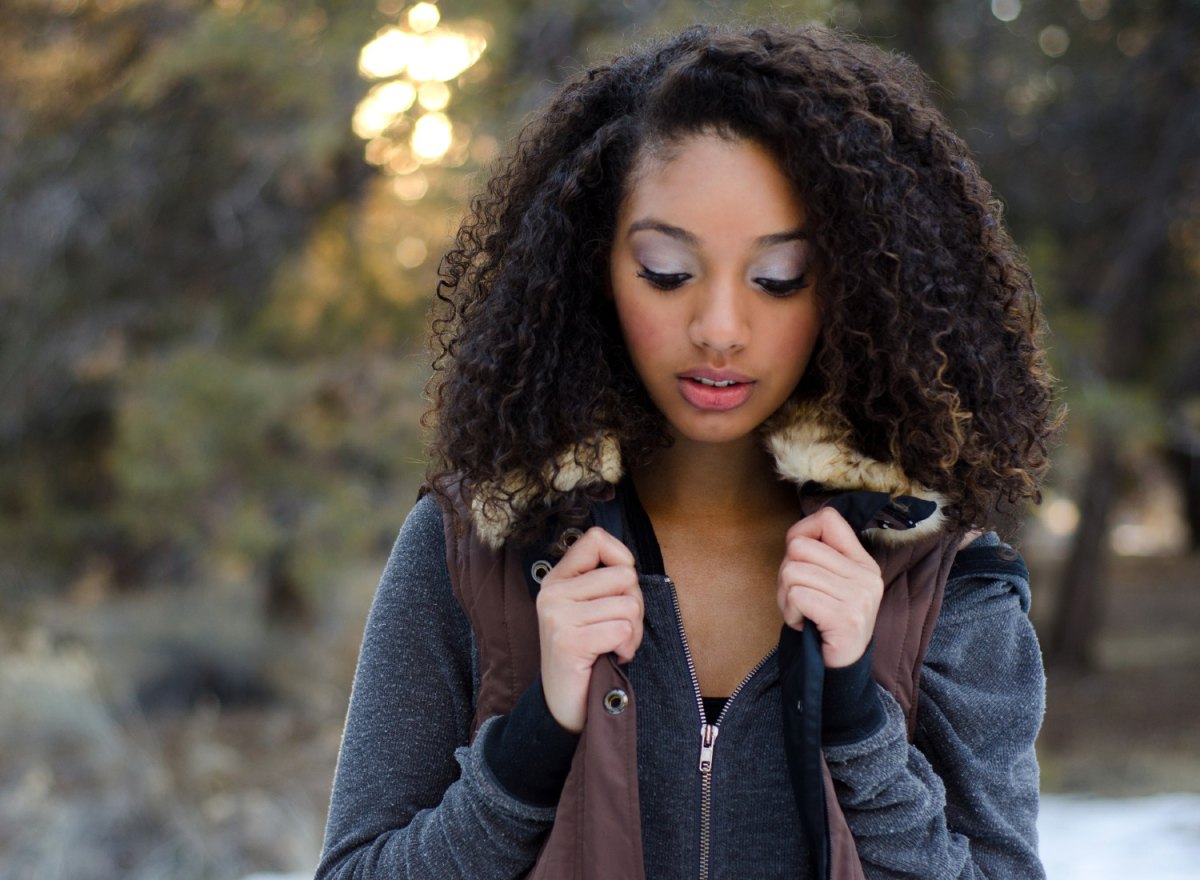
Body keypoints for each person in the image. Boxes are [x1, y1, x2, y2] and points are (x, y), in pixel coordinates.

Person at [315, 22, 1058, 880]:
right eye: (667, 271)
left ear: (854, 285)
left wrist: (859, 723)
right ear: (589, 266)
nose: (718, 330)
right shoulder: (474, 548)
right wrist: (528, 746)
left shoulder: (943, 583)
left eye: (778, 278)